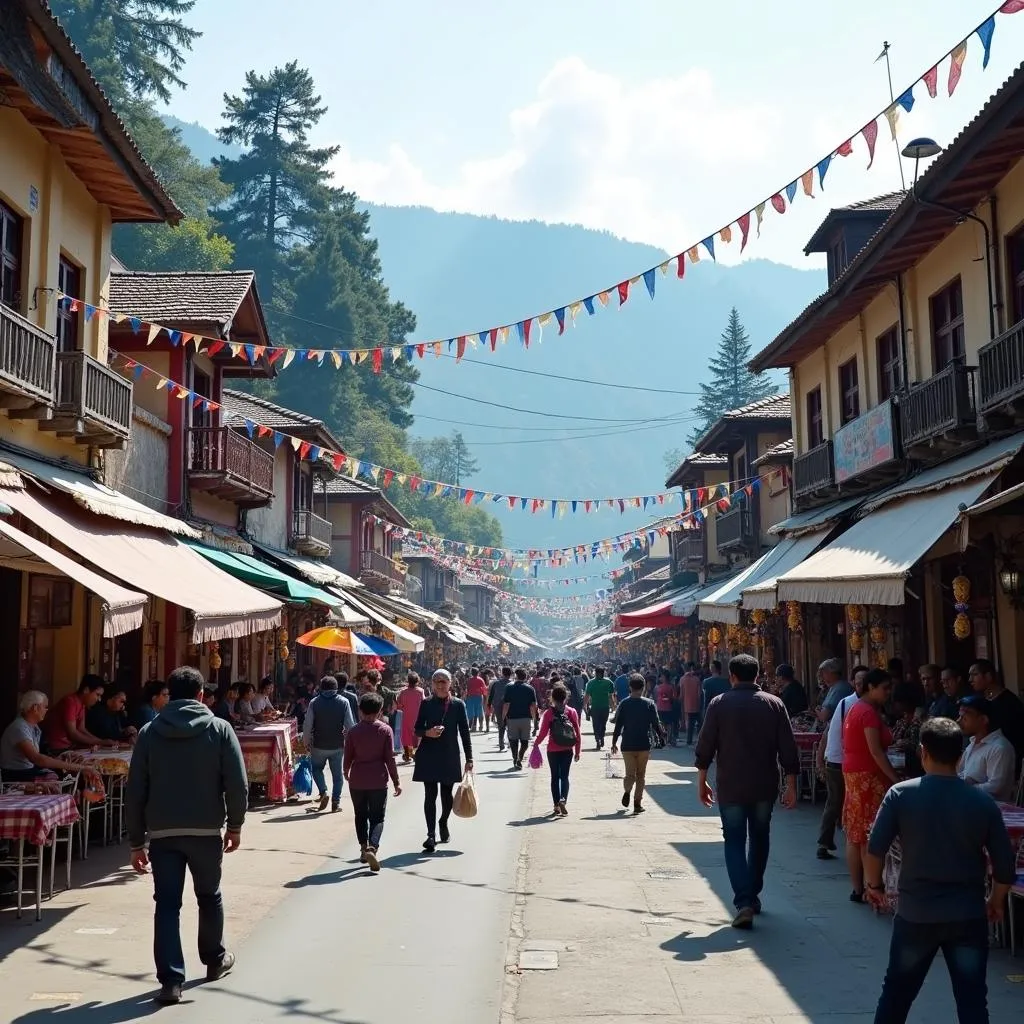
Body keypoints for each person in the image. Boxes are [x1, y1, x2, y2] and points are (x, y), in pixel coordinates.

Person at [865, 717, 1015, 1023]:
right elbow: (1004, 864)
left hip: (916, 914)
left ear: (923, 752)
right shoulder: (982, 802)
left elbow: (875, 849)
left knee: (896, 994)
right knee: (972, 999)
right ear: (961, 756)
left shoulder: (901, 795)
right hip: (967, 915)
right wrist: (996, 901)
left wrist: (874, 887)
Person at [126, 665, 247, 1005]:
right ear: (200, 695)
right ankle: (214, 959)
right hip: (207, 829)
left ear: (170, 694)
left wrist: (136, 841)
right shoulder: (220, 729)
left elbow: (136, 790)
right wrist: (235, 824)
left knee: (166, 905)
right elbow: (236, 782)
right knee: (209, 896)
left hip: (163, 833)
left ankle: (170, 981)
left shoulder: (150, 732)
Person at [694, 653, 799, 930]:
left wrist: (702, 779)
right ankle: (752, 896)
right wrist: (791, 785)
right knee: (760, 837)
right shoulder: (774, 704)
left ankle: (744, 901)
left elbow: (706, 744)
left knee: (734, 840)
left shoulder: (719, 704)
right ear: (757, 675)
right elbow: (788, 747)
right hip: (764, 784)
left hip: (731, 785)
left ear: (732, 676)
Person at [842, 668, 899, 904]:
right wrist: (895, 779)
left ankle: (860, 888)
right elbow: (875, 751)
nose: (888, 693)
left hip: (855, 774)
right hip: (867, 777)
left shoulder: (857, 708)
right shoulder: (867, 712)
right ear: (871, 687)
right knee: (868, 833)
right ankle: (871, 888)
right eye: (884, 688)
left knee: (856, 834)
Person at [413, 669, 473, 852]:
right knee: (429, 796)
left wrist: (469, 758)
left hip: (449, 755)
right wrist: (427, 733)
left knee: (446, 796)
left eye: (443, 681)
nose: (440, 685)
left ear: (450, 683)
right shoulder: (426, 704)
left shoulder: (458, 705)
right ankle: (430, 835)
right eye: (437, 681)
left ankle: (443, 821)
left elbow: (464, 732)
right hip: (429, 755)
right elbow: (417, 729)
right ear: (432, 684)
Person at [344, 691, 402, 872]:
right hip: (378, 779)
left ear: (360, 711)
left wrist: (346, 771)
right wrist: (396, 781)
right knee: (377, 817)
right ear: (379, 711)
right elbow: (389, 759)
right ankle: (373, 847)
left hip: (358, 779)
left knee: (360, 815)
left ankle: (363, 847)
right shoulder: (385, 730)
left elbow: (348, 755)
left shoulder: (353, 731)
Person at [815, 665, 867, 863]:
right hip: (839, 760)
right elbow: (830, 731)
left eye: (864, 681)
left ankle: (828, 841)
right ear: (852, 682)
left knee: (838, 802)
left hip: (841, 759)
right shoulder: (849, 704)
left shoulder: (851, 702)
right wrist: (821, 758)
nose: (861, 684)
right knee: (838, 801)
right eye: (858, 681)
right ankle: (830, 842)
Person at [1, 690, 104, 784]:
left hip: (27, 770)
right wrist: (80, 768)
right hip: (15, 775)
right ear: (35, 708)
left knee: (66, 776)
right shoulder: (19, 727)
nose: (47, 710)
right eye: (45, 707)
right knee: (60, 779)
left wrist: (61, 759)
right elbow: (37, 759)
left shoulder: (32, 726)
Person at [611, 673, 664, 814]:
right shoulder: (649, 704)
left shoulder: (624, 704)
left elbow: (618, 725)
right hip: (643, 744)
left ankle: (627, 791)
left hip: (627, 744)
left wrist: (614, 742)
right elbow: (656, 724)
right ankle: (637, 804)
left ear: (630, 687)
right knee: (641, 775)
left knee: (630, 774)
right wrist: (661, 738)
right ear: (643, 687)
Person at [302, 675, 355, 813]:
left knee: (317, 769)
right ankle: (335, 803)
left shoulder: (314, 702)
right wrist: (352, 744)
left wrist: (306, 742)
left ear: (321, 688)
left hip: (319, 745)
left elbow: (307, 725)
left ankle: (323, 791)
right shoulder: (344, 702)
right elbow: (350, 726)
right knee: (337, 776)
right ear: (336, 688)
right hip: (338, 745)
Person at [532, 682, 582, 816]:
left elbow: (543, 733)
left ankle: (556, 805)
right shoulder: (571, 712)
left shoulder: (549, 713)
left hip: (553, 750)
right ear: (566, 697)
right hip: (567, 749)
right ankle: (563, 800)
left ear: (552, 698)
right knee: (565, 776)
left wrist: (536, 744)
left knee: (555, 777)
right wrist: (577, 751)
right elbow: (577, 732)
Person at [969, 658, 1024, 777]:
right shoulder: (983, 700)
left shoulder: (1008, 703)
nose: (970, 680)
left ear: (988, 676)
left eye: (974, 675)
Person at [957, 695, 1016, 803]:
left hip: (994, 811)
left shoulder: (999, 748)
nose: (958, 721)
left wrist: (965, 787)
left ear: (983, 720)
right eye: (959, 717)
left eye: (964, 718)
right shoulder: (972, 743)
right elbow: (962, 774)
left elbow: (996, 788)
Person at [41, 675, 113, 753]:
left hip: (69, 747)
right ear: (86, 690)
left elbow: (81, 729)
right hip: (56, 749)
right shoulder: (70, 701)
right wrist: (100, 742)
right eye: (97, 694)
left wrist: (100, 741)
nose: (99, 699)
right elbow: (73, 733)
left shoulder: (82, 704)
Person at [502, 667, 538, 769]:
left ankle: (516, 758)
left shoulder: (509, 687)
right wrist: (534, 719)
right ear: (525, 677)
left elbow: (506, 704)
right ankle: (519, 757)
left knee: (513, 740)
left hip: (512, 719)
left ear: (515, 676)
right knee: (525, 742)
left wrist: (503, 717)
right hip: (526, 719)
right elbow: (533, 706)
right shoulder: (530, 689)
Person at [890, 682, 926, 778]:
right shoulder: (901, 721)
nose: (894, 705)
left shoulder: (922, 720)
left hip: (916, 771)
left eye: (897, 701)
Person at [396, 672, 426, 763]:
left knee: (406, 735)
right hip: (417, 717)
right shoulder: (420, 691)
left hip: (406, 717)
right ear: (417, 681)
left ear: (408, 681)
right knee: (416, 735)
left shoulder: (403, 692)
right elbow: (424, 703)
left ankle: (407, 754)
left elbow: (399, 704)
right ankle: (415, 753)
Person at [584, 666, 616, 750]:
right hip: (603, 708)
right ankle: (599, 738)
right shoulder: (608, 682)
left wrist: (585, 706)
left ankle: (598, 738)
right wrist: (613, 706)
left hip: (596, 708)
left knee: (597, 724)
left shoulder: (591, 683)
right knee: (601, 724)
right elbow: (611, 697)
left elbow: (587, 696)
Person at [816, 658, 853, 725]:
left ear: (833, 673)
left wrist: (816, 711)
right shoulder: (833, 687)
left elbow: (824, 716)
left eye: (824, 673)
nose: (822, 676)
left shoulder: (840, 688)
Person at [487, 666, 512, 752]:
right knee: (510, 725)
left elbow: (491, 695)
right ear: (510, 674)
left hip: (498, 706)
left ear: (502, 673)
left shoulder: (496, 683)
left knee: (501, 726)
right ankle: (510, 743)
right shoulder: (512, 684)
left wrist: (489, 705)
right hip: (510, 707)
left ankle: (501, 744)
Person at [679, 662, 702, 745]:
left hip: (687, 705)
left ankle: (689, 740)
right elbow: (699, 694)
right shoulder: (697, 679)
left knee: (690, 724)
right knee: (700, 723)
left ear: (684, 669)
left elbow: (681, 695)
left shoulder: (682, 679)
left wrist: (681, 704)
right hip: (696, 705)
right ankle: (701, 739)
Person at [655, 671, 678, 746]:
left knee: (662, 723)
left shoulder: (658, 687)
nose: (660, 678)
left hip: (660, 708)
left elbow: (656, 697)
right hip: (668, 708)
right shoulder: (671, 687)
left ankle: (663, 739)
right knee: (669, 724)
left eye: (661, 676)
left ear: (664, 677)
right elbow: (674, 698)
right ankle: (668, 739)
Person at [465, 665, 488, 732]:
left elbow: (467, 689)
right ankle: (480, 726)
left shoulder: (469, 680)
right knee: (480, 712)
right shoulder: (481, 680)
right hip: (479, 697)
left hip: (470, 698)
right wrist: (485, 697)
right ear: (478, 673)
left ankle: (473, 726)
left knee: (471, 712)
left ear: (471, 673)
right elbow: (484, 690)